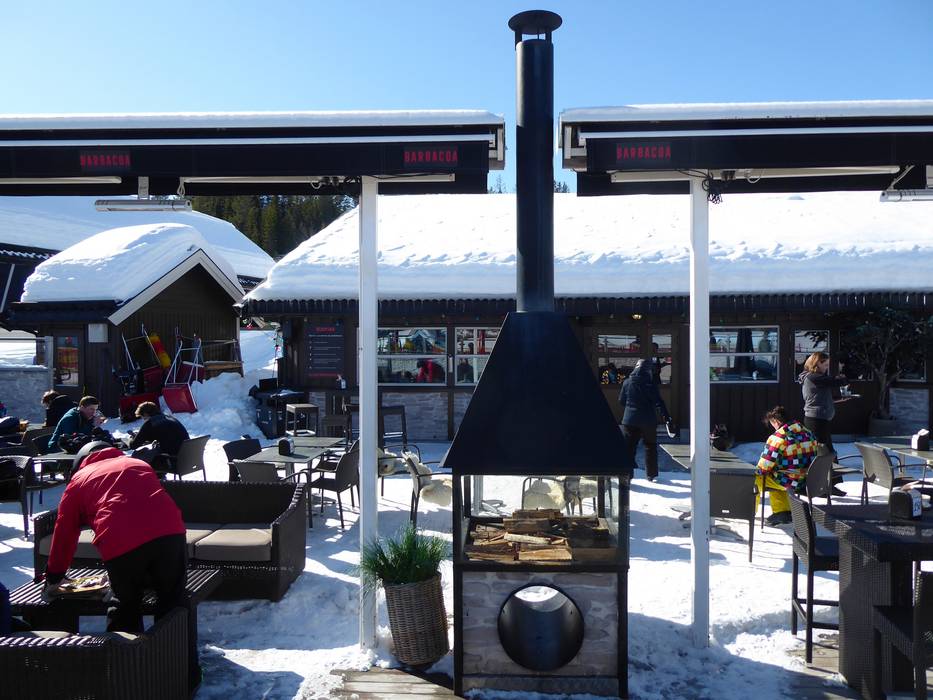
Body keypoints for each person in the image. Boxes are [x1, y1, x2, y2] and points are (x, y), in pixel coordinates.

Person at [42, 441, 196, 685]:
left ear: (80, 462)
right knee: (174, 600)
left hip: (120, 539)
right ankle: (185, 673)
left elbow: (64, 533)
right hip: (170, 531)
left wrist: (55, 574)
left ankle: (128, 678)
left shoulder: (79, 479)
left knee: (125, 604)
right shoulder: (137, 463)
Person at [756, 405, 819, 525]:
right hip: (807, 480)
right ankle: (782, 512)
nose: (773, 427)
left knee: (755, 479)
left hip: (789, 481)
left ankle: (747, 512)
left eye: (772, 424)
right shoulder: (808, 433)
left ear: (777, 421)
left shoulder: (779, 437)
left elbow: (763, 467)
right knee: (776, 475)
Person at [618, 358, 673, 482]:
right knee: (650, 446)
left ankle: (627, 474)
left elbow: (621, 400)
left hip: (629, 420)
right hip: (648, 420)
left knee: (629, 448)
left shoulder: (627, 382)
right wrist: (666, 417)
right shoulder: (650, 384)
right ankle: (651, 474)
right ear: (648, 370)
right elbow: (659, 402)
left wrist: (631, 407)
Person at [799, 351, 847, 454]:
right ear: (817, 363)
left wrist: (838, 399)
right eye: (825, 365)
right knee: (825, 453)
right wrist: (841, 375)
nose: (827, 368)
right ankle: (830, 464)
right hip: (816, 421)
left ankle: (831, 464)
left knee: (826, 452)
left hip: (819, 419)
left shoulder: (816, 378)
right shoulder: (813, 377)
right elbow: (837, 382)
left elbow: (819, 398)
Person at [128, 401, 190, 470]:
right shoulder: (170, 418)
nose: (144, 421)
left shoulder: (150, 423)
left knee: (138, 456)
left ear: (145, 414)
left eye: (143, 418)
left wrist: (130, 439)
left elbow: (133, 445)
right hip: (188, 459)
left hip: (173, 461)